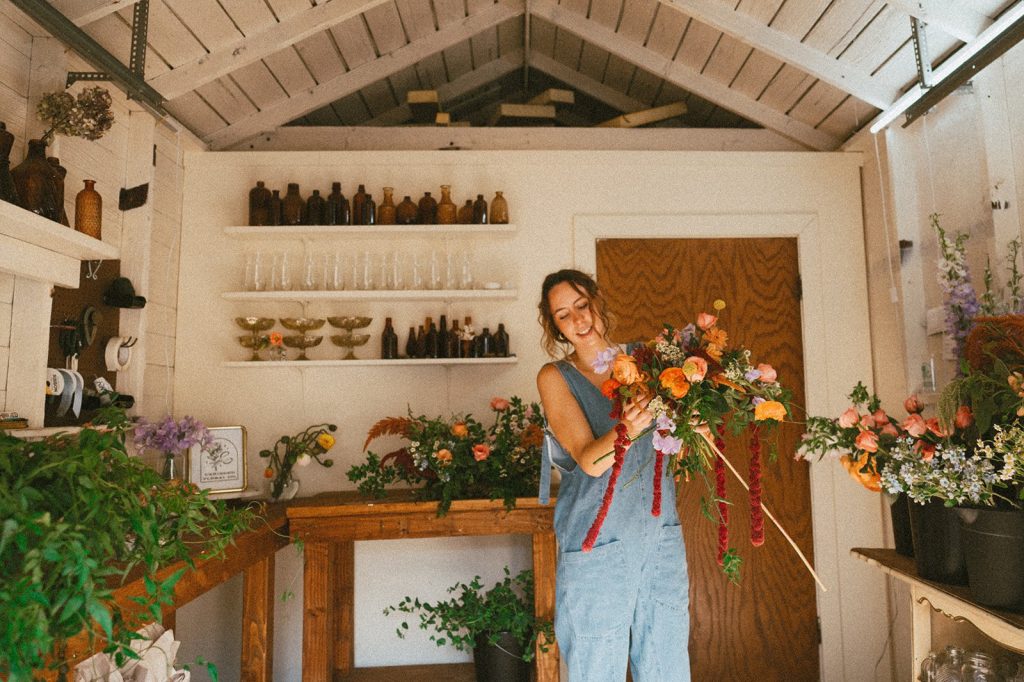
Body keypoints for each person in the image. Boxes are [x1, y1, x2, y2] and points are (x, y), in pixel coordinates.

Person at [536, 268, 691, 681]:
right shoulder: (555, 377)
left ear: (598, 301)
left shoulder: (650, 361)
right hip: (596, 538)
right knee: (595, 664)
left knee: (666, 662)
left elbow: (678, 446)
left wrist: (696, 429)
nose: (578, 320)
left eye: (582, 306)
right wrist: (628, 428)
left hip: (658, 535)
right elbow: (589, 460)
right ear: (555, 326)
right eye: (563, 315)